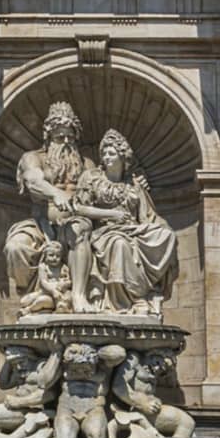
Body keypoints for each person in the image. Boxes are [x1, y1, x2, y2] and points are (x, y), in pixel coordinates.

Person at [73, 129, 178, 317]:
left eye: (111, 153)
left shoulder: (134, 184)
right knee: (120, 244)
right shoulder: (92, 178)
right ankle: (129, 300)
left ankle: (145, 292)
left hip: (132, 229)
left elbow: (147, 215)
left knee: (167, 236)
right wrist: (111, 214)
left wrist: (162, 228)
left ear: (123, 157)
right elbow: (79, 208)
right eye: (104, 153)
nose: (106, 157)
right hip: (104, 232)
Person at [4, 102, 96, 313]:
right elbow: (33, 181)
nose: (66, 142)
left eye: (71, 137)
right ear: (48, 136)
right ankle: (30, 292)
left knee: (78, 228)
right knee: (15, 247)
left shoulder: (87, 163)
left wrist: (136, 183)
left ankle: (78, 296)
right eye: (60, 137)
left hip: (76, 223)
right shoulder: (33, 158)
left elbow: (104, 187)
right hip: (41, 224)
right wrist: (56, 193)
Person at [18, 241, 72, 316]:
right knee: (23, 302)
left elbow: (69, 281)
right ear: (45, 255)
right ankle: (32, 309)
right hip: (46, 292)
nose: (54, 258)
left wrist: (64, 284)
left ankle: (29, 309)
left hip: (59, 295)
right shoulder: (43, 267)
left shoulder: (63, 267)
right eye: (51, 255)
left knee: (44, 300)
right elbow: (43, 282)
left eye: (58, 256)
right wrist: (53, 291)